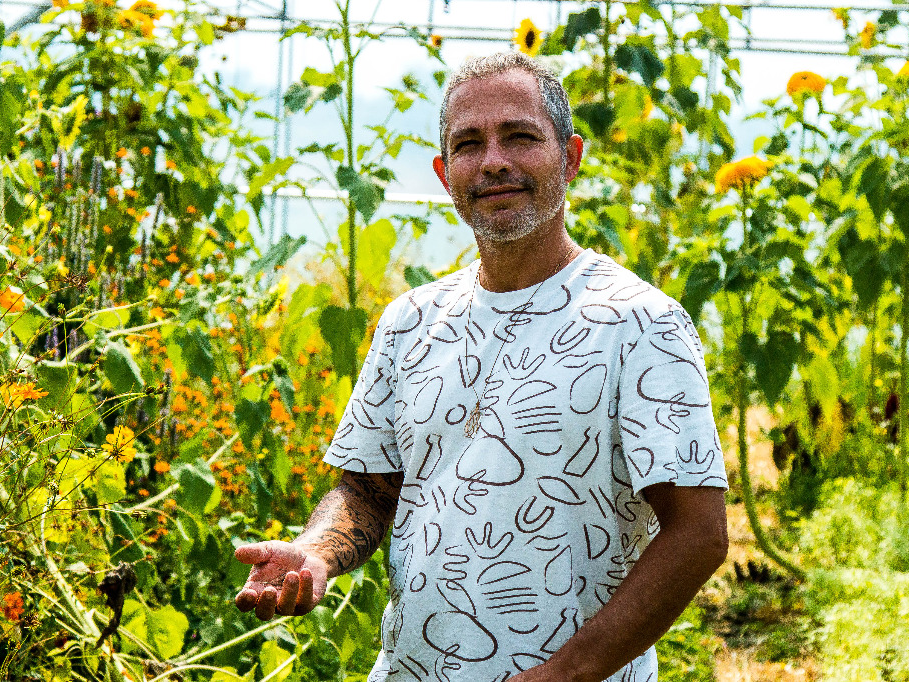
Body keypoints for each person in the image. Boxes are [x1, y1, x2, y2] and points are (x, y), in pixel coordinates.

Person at [235, 52, 728, 682]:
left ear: (570, 157)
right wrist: (314, 555)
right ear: (444, 174)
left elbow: (699, 533)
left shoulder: (638, 322)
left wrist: (567, 673)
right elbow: (367, 490)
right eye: (468, 144)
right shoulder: (410, 320)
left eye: (519, 136)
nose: (493, 161)